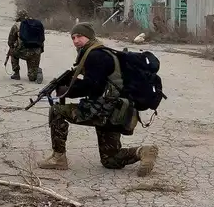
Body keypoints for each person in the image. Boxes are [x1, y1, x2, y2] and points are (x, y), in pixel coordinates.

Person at [37, 23, 158, 176]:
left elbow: (93, 86)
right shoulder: (102, 53)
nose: (75, 40)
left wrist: (67, 91)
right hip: (117, 110)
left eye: (79, 36)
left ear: (90, 36)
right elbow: (99, 83)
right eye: (73, 37)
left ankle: (58, 158)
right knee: (111, 159)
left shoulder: (95, 55)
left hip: (103, 109)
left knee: (56, 111)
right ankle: (143, 152)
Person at [7, 9, 44, 83]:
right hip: (36, 52)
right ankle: (36, 71)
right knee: (32, 78)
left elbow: (10, 41)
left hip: (22, 52)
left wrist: (12, 46)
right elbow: (42, 39)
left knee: (12, 51)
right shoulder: (36, 24)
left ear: (18, 17)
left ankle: (16, 73)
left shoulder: (16, 25)